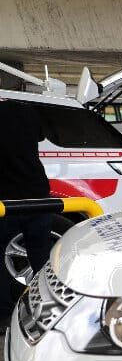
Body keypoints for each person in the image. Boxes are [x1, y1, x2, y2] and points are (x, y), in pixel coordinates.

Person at [0, 98, 49, 323]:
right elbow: (40, 137)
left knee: (1, 255)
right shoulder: (25, 110)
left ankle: (4, 315)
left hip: (5, 200)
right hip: (37, 194)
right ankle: (48, 308)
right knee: (41, 255)